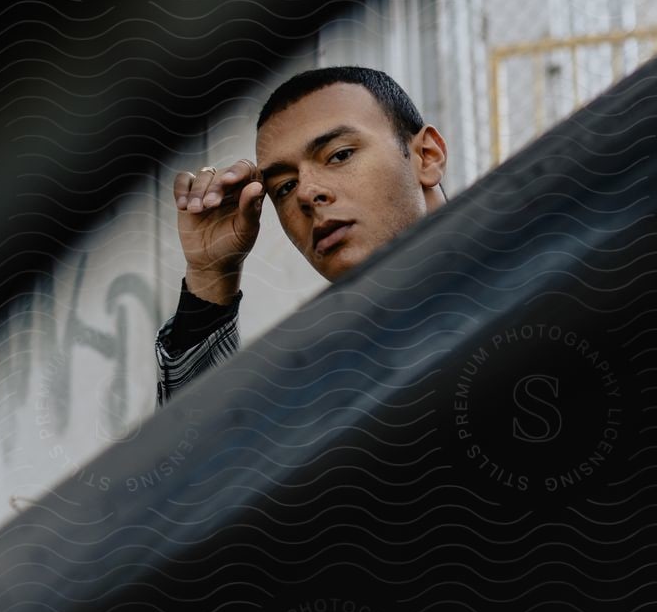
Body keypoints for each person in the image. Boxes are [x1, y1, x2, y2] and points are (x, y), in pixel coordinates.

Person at [155, 66, 448, 405]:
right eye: (285, 186)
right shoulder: (318, 388)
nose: (306, 193)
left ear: (427, 156)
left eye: (339, 155)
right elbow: (204, 451)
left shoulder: (518, 281)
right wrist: (210, 276)